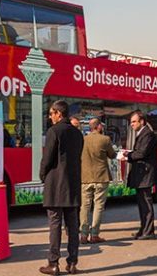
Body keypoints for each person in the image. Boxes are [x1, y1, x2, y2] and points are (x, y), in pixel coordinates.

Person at [39, 100, 83, 276]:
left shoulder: (54, 131)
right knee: (73, 226)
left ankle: (53, 263)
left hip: (56, 184)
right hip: (72, 184)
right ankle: (72, 262)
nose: (50, 117)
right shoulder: (77, 134)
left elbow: (47, 158)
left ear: (59, 113)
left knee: (55, 225)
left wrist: (42, 175)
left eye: (51, 113)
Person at [123, 110, 157, 240]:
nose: (131, 124)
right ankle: (143, 229)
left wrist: (127, 155)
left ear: (142, 121)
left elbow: (142, 153)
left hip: (146, 175)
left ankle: (149, 231)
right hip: (141, 174)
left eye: (134, 122)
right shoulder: (142, 133)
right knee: (141, 203)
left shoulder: (147, 134)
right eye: (131, 122)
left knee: (146, 203)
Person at [80, 118, 116, 244]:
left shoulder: (83, 140)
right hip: (101, 177)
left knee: (84, 206)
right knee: (98, 206)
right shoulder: (105, 139)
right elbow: (112, 155)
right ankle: (94, 234)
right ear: (99, 126)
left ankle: (83, 235)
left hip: (85, 178)